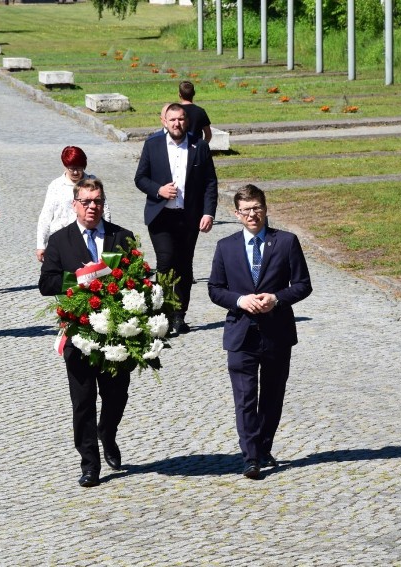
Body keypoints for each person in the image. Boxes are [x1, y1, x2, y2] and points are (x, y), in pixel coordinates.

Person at [207, 184, 313, 479]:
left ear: (265, 209)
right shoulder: (225, 247)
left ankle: (264, 445)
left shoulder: (286, 242)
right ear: (237, 214)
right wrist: (241, 300)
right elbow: (215, 290)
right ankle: (250, 456)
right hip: (240, 333)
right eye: (246, 210)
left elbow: (303, 284)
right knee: (244, 397)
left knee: (272, 394)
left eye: (257, 208)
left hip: (277, 331)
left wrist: (276, 299)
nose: (252, 214)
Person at [38, 178, 135, 488]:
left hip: (116, 333)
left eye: (98, 201)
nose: (93, 206)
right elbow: (46, 284)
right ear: (74, 205)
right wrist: (79, 281)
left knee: (116, 395)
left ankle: (107, 432)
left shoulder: (122, 237)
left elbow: (141, 276)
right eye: (87, 202)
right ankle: (90, 463)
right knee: (82, 401)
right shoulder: (60, 240)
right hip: (78, 332)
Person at [134, 102, 218, 335]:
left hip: (188, 217)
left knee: (184, 266)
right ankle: (162, 312)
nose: (177, 124)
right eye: (172, 120)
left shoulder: (199, 146)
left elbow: (210, 183)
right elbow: (140, 178)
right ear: (164, 122)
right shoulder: (153, 145)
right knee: (165, 262)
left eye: (180, 119)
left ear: (186, 121)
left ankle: (179, 316)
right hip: (161, 216)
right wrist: (158, 190)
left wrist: (208, 212)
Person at [35, 146, 111, 263]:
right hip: (62, 238)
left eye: (79, 168)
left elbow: (105, 210)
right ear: (65, 166)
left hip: (88, 237)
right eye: (72, 168)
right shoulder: (56, 186)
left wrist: (107, 237)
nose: (76, 172)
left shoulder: (93, 182)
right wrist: (41, 244)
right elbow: (46, 215)